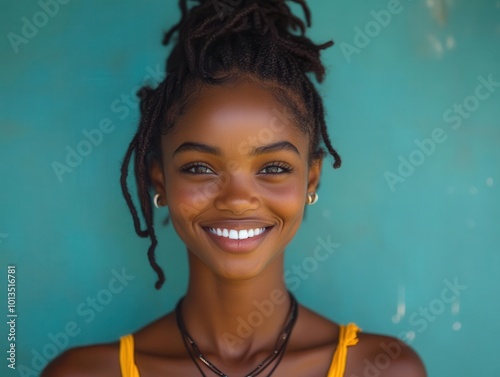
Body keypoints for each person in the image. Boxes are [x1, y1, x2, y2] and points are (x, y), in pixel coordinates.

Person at [42, 1, 426, 376]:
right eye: (199, 168)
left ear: (310, 179)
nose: (237, 198)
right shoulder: (84, 372)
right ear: (160, 180)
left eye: (273, 167)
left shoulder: (383, 369)